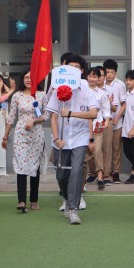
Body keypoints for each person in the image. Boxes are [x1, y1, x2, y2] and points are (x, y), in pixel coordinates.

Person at [48, 54, 98, 225]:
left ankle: (73, 208)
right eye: (71, 67)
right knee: (61, 175)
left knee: (76, 171)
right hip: (61, 139)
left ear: (82, 70)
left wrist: (71, 113)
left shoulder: (86, 89)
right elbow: (53, 116)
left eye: (77, 67)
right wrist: (56, 138)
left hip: (80, 136)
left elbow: (93, 113)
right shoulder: (57, 88)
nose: (74, 70)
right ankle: (66, 197)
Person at [2, 69, 48, 212]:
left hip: (37, 134)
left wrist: (34, 120)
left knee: (35, 166)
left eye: (32, 77)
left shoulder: (41, 95)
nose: (29, 80)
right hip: (21, 133)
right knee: (21, 165)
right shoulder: (17, 96)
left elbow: (47, 115)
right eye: (26, 77)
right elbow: (11, 117)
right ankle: (21, 201)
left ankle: (33, 200)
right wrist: (5, 135)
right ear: (23, 79)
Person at [86, 66, 111, 190]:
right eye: (90, 76)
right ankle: (90, 174)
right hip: (83, 125)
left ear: (99, 78)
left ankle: (100, 177)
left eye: (94, 76)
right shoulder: (82, 90)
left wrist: (106, 121)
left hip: (98, 125)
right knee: (86, 151)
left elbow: (106, 109)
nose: (92, 79)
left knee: (97, 150)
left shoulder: (102, 94)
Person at [104, 59, 127, 184]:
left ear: (116, 73)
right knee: (105, 149)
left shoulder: (120, 85)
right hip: (103, 123)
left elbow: (124, 104)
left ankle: (116, 173)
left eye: (111, 72)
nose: (109, 75)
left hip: (116, 122)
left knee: (116, 148)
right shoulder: (100, 83)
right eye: (107, 72)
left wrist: (118, 117)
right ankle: (104, 173)